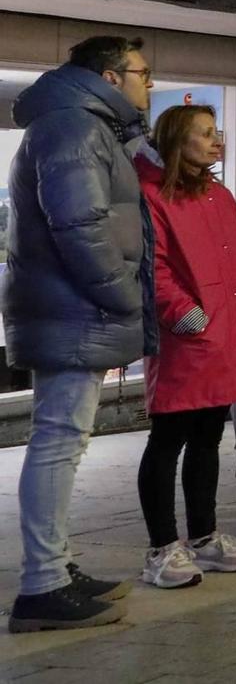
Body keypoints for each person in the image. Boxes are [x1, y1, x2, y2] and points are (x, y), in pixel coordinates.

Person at [4, 35, 157, 631]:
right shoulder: (73, 127)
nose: (149, 84)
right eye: (144, 73)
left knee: (65, 441)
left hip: (69, 307)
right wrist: (122, 297)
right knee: (58, 441)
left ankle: (57, 569)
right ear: (111, 76)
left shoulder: (82, 124)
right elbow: (79, 223)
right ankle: (42, 586)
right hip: (74, 309)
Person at [134, 104, 236, 589]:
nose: (217, 142)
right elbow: (153, 266)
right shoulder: (151, 195)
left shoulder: (218, 194)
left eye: (218, 133)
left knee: (210, 436)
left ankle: (205, 536)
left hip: (225, 331)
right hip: (185, 337)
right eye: (205, 134)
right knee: (168, 439)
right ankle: (162, 547)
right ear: (175, 141)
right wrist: (182, 312)